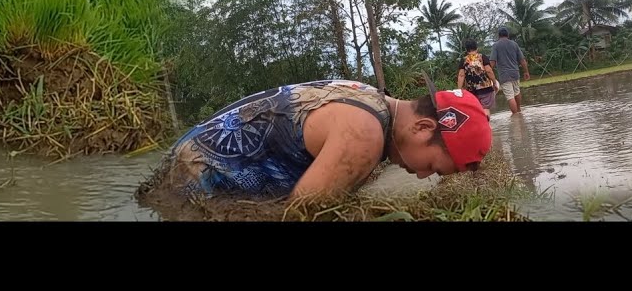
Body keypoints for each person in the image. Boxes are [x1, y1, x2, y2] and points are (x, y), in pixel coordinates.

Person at [151, 77, 492, 202]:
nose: (420, 175)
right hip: (193, 183)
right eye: (432, 166)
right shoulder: (364, 137)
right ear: (422, 128)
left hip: (181, 161)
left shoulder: (367, 95)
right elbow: (301, 214)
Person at [489, 27, 530, 114]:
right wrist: (526, 71)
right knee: (517, 91)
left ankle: (515, 116)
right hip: (515, 72)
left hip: (504, 75)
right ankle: (519, 111)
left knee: (510, 96)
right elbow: (522, 60)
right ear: (507, 35)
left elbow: (492, 61)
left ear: (499, 35)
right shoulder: (514, 44)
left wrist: (487, 73)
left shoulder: (496, 45)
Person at [457, 38, 499, 116]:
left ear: (466, 49)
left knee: (476, 110)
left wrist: (459, 89)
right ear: (477, 47)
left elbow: (461, 75)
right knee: (485, 108)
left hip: (471, 90)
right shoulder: (482, 57)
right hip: (485, 88)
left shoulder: (464, 60)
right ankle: (487, 126)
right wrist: (494, 82)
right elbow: (489, 71)